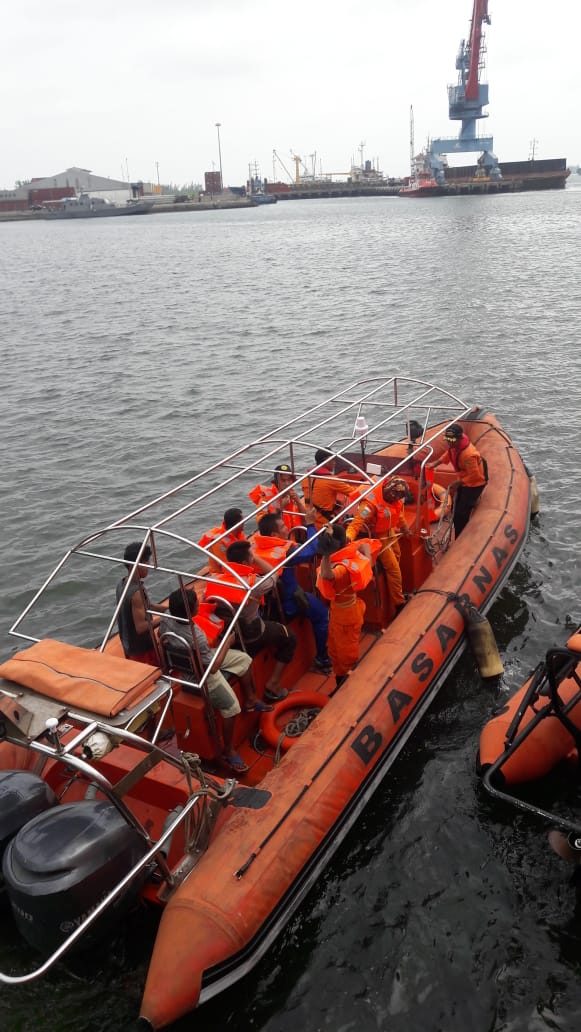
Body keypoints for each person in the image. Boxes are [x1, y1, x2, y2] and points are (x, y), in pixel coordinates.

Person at [160, 588, 271, 773]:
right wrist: (228, 641)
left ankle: (251, 700)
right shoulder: (196, 635)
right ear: (190, 611)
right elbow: (213, 668)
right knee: (232, 707)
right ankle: (228, 749)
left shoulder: (165, 617)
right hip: (202, 674)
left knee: (244, 660)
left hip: (190, 661)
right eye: (196, 603)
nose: (198, 603)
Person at [211, 539, 297, 701]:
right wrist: (256, 559)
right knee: (290, 637)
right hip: (251, 632)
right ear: (245, 562)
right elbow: (274, 576)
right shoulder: (253, 584)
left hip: (228, 633)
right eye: (250, 556)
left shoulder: (216, 579)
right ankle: (273, 683)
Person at [254, 509, 332, 673]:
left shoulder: (256, 551)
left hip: (268, 605)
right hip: (290, 602)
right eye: (283, 526)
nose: (286, 528)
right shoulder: (286, 553)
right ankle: (322, 659)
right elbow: (314, 549)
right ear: (274, 534)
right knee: (322, 614)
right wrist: (310, 525)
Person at [316, 526, 375, 686]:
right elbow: (365, 553)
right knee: (334, 650)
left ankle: (347, 683)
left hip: (346, 616)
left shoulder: (342, 568)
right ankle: (339, 677)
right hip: (339, 612)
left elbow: (327, 575)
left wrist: (326, 553)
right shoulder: (350, 555)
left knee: (346, 654)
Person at [346, 477, 411, 615]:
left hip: (389, 531)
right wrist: (348, 538)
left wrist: (405, 528)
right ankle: (399, 603)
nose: (397, 499)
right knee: (393, 569)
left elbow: (398, 515)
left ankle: (394, 588)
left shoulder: (395, 500)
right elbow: (356, 523)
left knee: (398, 553)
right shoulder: (369, 506)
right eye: (395, 496)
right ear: (389, 492)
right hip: (377, 536)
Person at [428, 423, 487, 537]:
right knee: (456, 509)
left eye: (452, 440)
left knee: (461, 514)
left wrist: (458, 482)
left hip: (474, 484)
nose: (450, 443)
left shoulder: (469, 455)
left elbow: (474, 476)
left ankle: (462, 537)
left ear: (459, 438)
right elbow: (448, 454)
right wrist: (435, 463)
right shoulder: (455, 446)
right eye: (448, 440)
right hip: (464, 481)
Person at [116, 542, 167, 666]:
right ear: (136, 565)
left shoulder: (122, 584)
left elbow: (146, 605)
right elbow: (141, 628)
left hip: (128, 645)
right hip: (142, 650)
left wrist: (168, 609)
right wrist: (165, 618)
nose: (148, 565)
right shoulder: (136, 592)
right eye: (145, 562)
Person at [302, 449, 361, 530]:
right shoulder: (331, 480)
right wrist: (364, 487)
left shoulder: (306, 477)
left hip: (310, 521)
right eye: (333, 459)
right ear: (327, 461)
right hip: (325, 523)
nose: (334, 462)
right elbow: (354, 492)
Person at [249, 463, 306, 531]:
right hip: (279, 538)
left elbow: (307, 519)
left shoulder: (293, 496)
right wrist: (280, 507)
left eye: (289, 480)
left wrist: (299, 502)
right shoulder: (265, 499)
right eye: (283, 480)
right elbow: (262, 523)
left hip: (295, 535)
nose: (287, 484)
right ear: (276, 482)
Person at [198, 507, 246, 573]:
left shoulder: (238, 533)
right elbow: (227, 565)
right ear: (236, 525)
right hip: (222, 573)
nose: (244, 522)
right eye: (242, 521)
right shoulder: (218, 542)